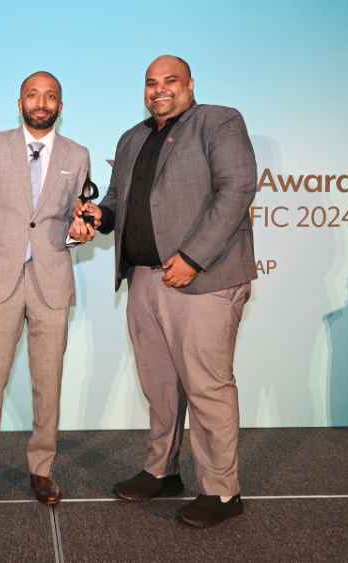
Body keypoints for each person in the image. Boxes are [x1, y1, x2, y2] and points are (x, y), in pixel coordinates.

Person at [78, 55, 257, 528]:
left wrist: (194, 257)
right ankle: (163, 470)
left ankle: (222, 492)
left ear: (190, 84)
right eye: (151, 83)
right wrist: (102, 217)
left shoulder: (219, 121)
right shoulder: (133, 137)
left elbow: (237, 188)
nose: (159, 90)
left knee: (207, 387)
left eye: (170, 81)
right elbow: (118, 201)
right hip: (143, 278)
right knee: (158, 385)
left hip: (204, 280)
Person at [0, 71, 95, 510]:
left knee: (47, 384)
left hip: (52, 283)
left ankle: (42, 470)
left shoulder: (77, 154)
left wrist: (81, 233)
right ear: (18, 101)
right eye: (33, 95)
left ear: (61, 104)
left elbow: (77, 223)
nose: (42, 102)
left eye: (51, 96)